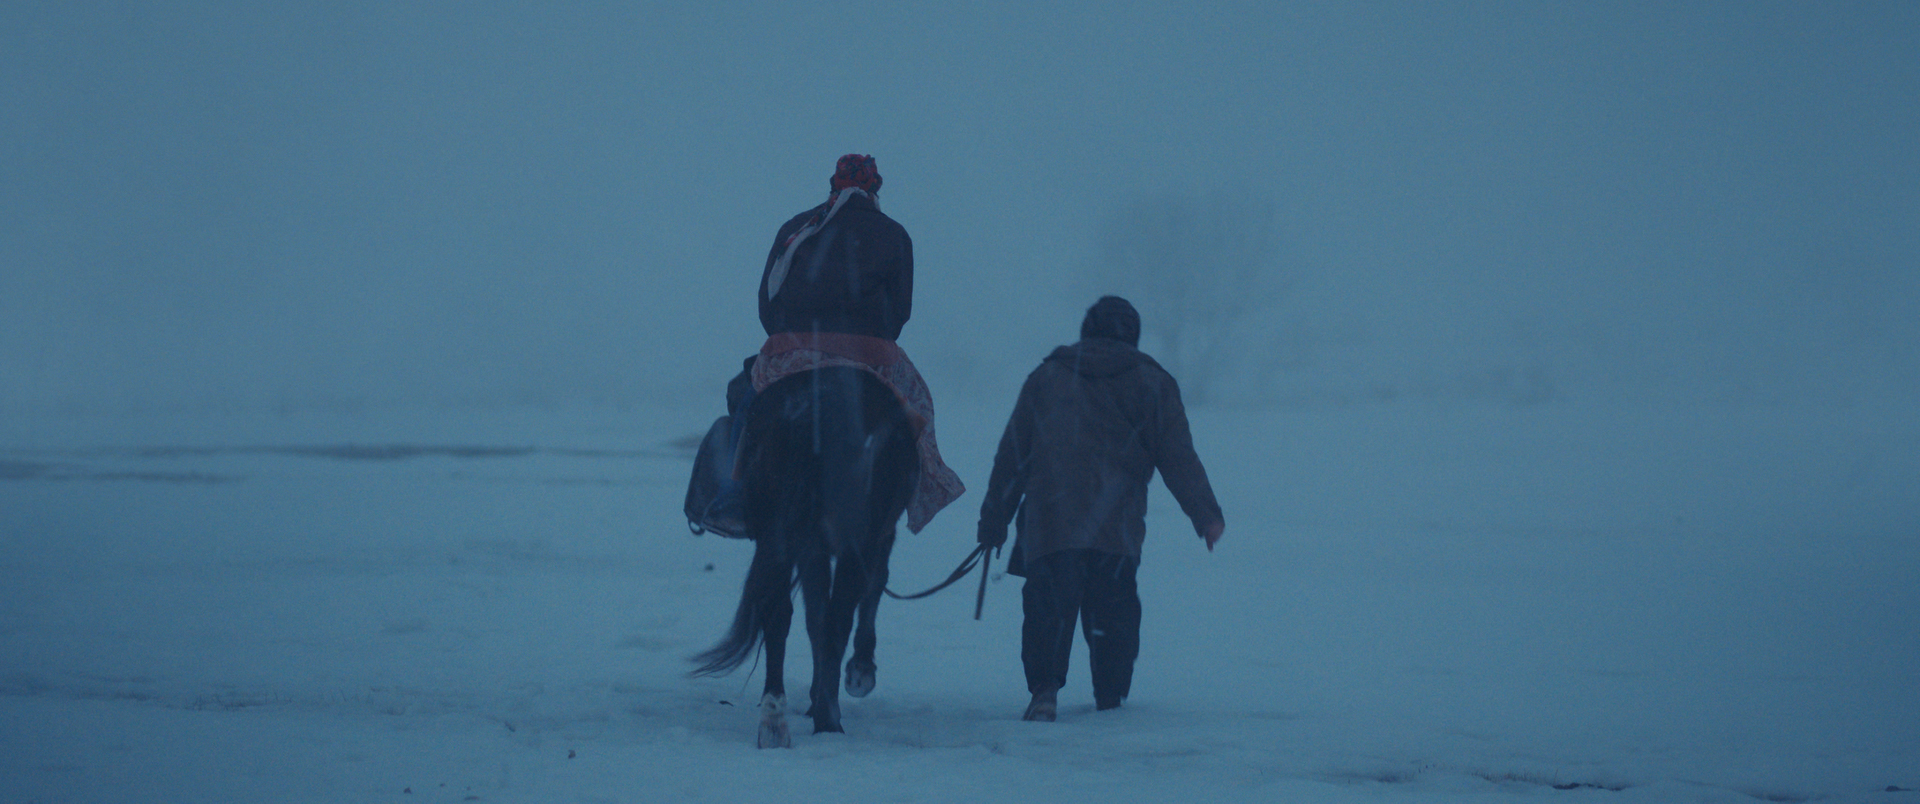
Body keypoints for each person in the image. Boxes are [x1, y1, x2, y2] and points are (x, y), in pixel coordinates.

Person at [976, 296, 1225, 721]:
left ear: (1087, 330)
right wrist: (1206, 515)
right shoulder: (1152, 382)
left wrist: (993, 520)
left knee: (1048, 609)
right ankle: (1110, 697)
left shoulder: (1047, 376)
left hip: (1050, 520)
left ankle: (1045, 690)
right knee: (1113, 610)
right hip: (1116, 524)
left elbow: (1012, 455)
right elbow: (1178, 456)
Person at [748, 154, 963, 534]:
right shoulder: (893, 234)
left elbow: (767, 305)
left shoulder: (795, 229)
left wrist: (797, 335)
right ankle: (921, 489)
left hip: (789, 353)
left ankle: (737, 492)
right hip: (867, 357)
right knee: (918, 409)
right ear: (875, 188)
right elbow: (899, 316)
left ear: (833, 185)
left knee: (747, 404)